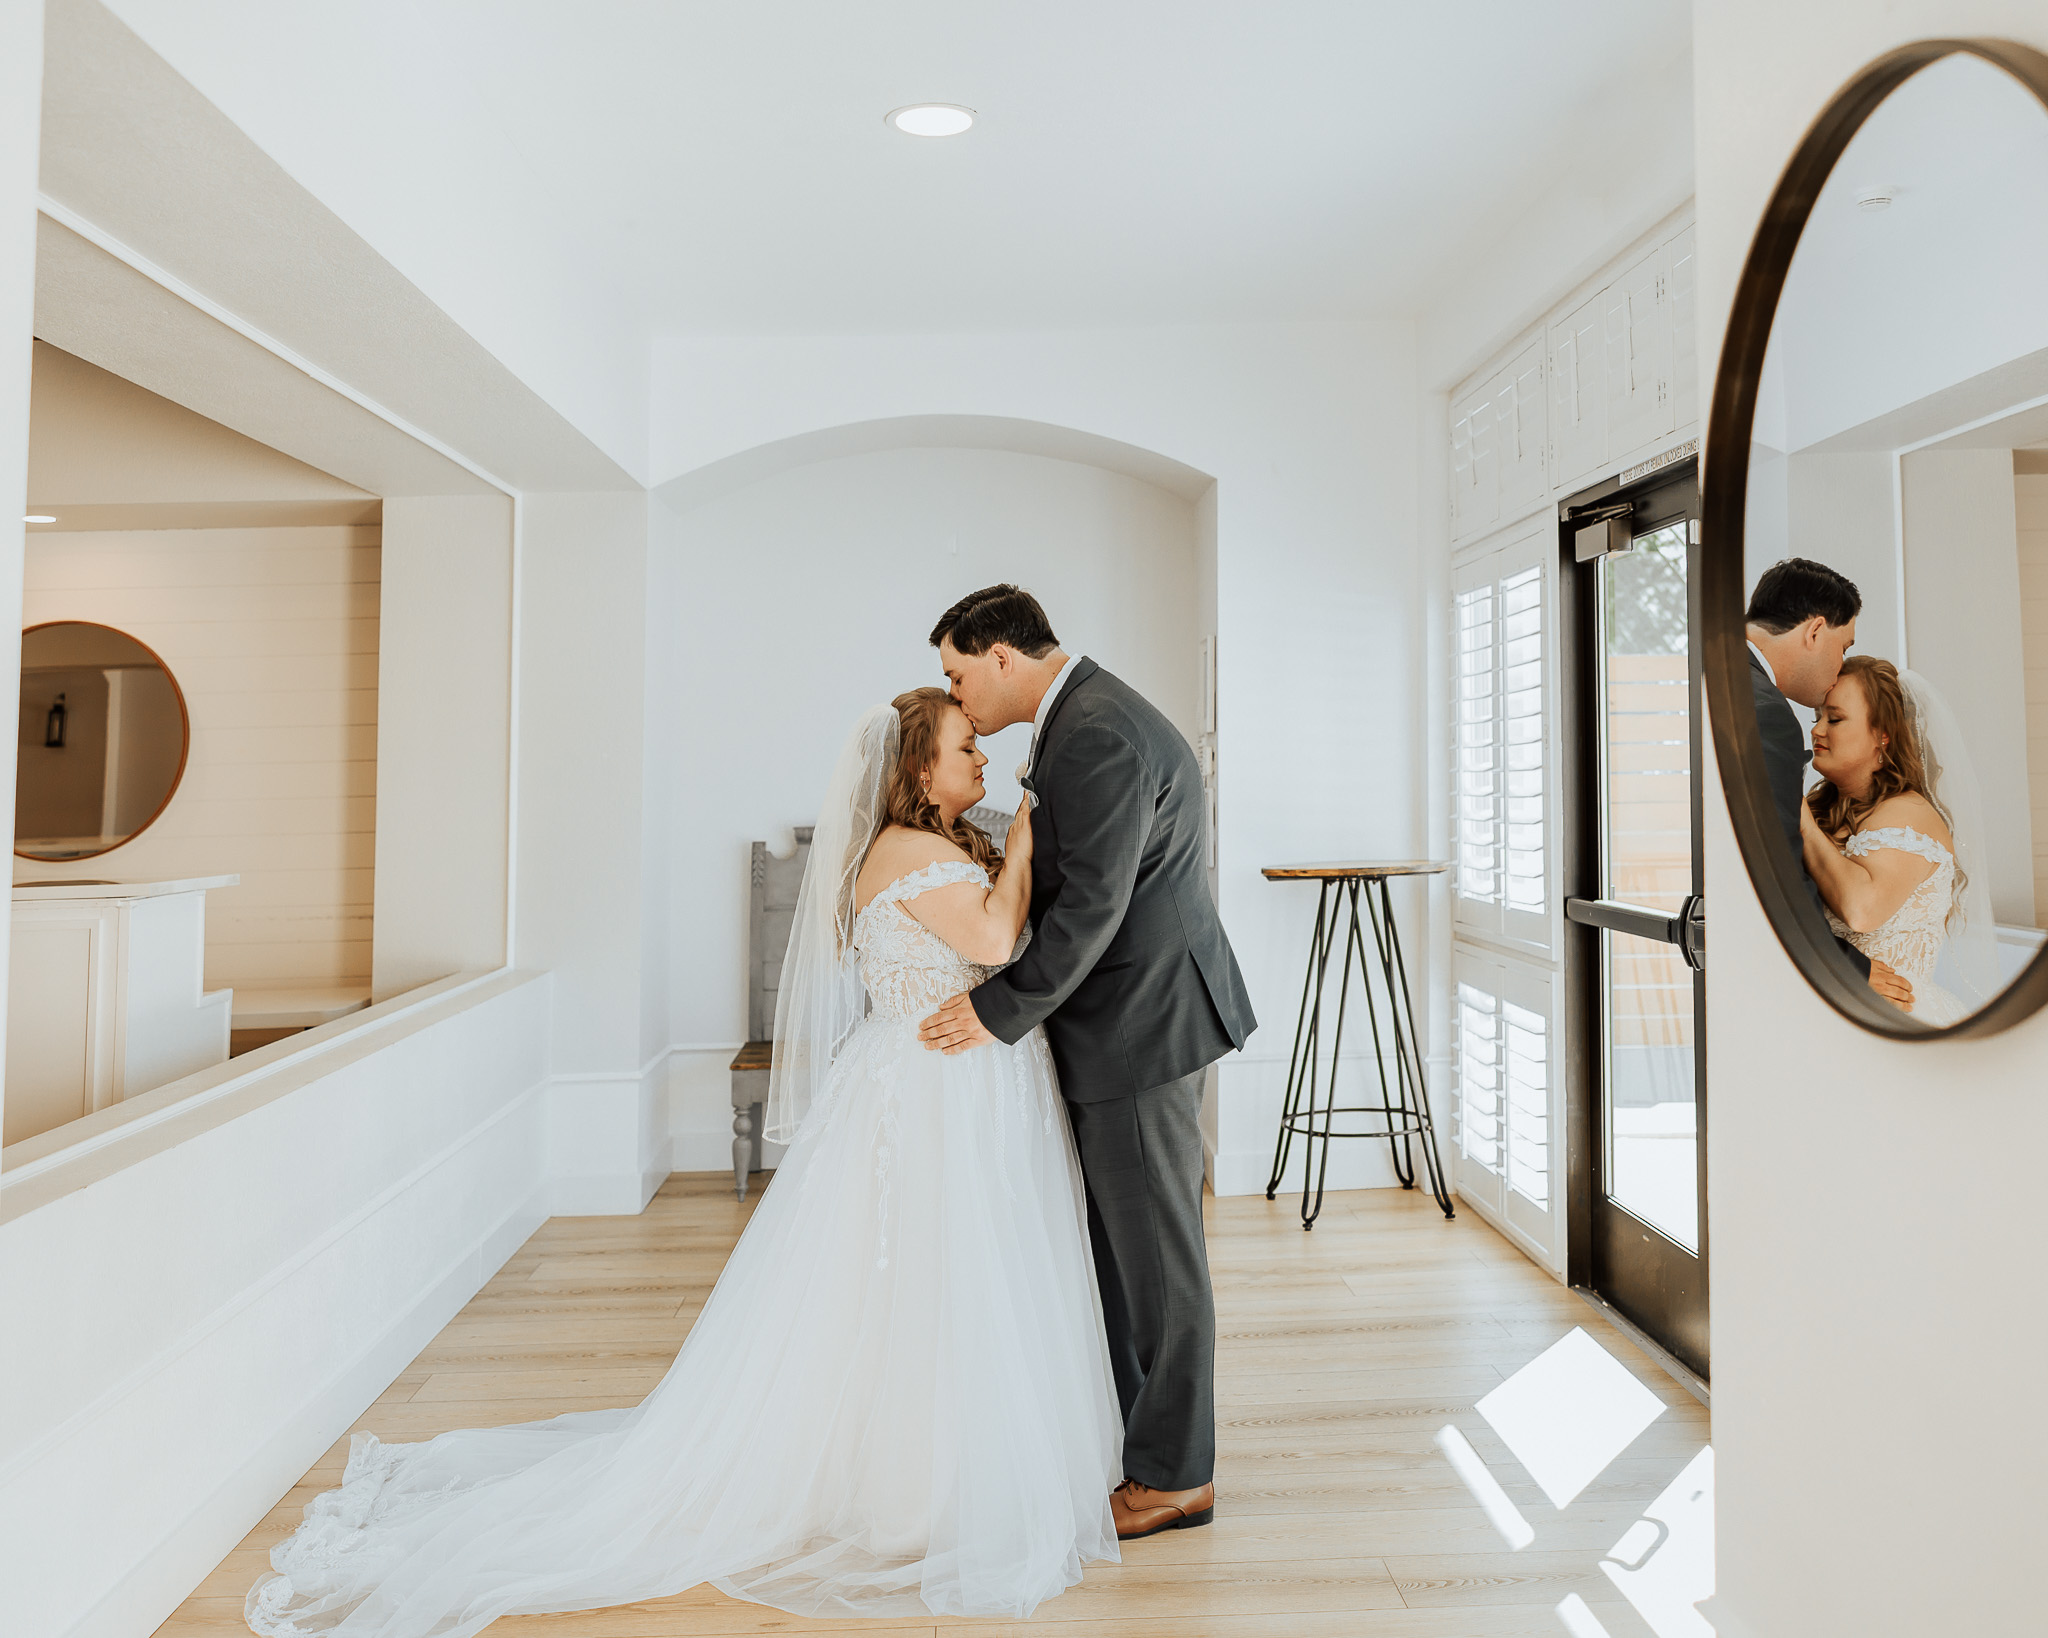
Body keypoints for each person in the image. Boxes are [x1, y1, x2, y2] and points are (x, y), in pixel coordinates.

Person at [247, 688, 1122, 1636]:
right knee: (927, 1278)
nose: (983, 764)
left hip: (957, 1080)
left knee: (945, 1279)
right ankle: (918, 1482)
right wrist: (1030, 828)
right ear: (918, 770)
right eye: (965, 750)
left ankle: (955, 1459)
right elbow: (993, 939)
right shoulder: (910, 852)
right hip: (932, 1088)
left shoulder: (936, 848)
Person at [919, 584, 1256, 1542]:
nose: (957, 696)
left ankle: (1178, 1475)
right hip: (1125, 1023)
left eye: (956, 674)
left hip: (1142, 1029)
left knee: (1157, 1261)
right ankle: (1140, 1444)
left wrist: (998, 1013)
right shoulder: (1083, 718)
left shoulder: (1097, 731)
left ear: (999, 657)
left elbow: (1092, 909)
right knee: (1124, 1253)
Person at [1745, 558, 1914, 1010]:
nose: (1838, 667)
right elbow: (1774, 872)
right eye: (1843, 647)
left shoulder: (1726, 675)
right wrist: (1849, 970)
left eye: (1835, 719)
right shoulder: (1765, 710)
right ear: (1815, 631)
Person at [1800, 657, 1998, 1026]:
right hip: (1824, 1010)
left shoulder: (1909, 814)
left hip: (1895, 1018)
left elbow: (1861, 910)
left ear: (1882, 735)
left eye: (1835, 718)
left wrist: (1802, 822)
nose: (1817, 731)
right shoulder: (1824, 808)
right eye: (1818, 718)